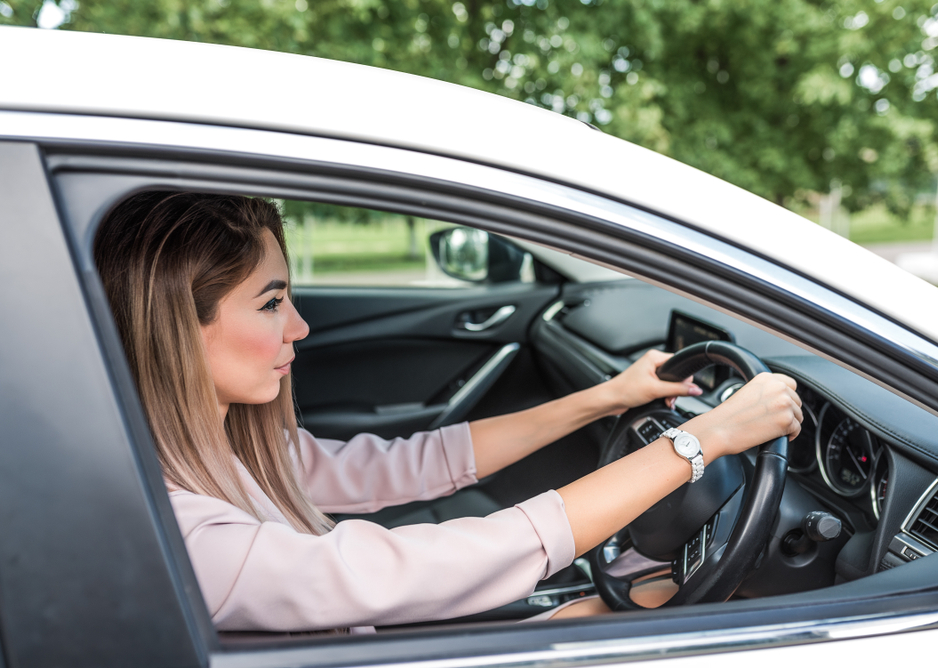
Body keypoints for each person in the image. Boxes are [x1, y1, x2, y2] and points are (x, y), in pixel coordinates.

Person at [94, 191, 802, 633]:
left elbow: (416, 464)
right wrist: (703, 440)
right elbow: (416, 569)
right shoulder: (181, 532)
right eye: (272, 302)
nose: (299, 327)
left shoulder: (232, 452)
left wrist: (607, 396)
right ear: (177, 328)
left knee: (644, 608)